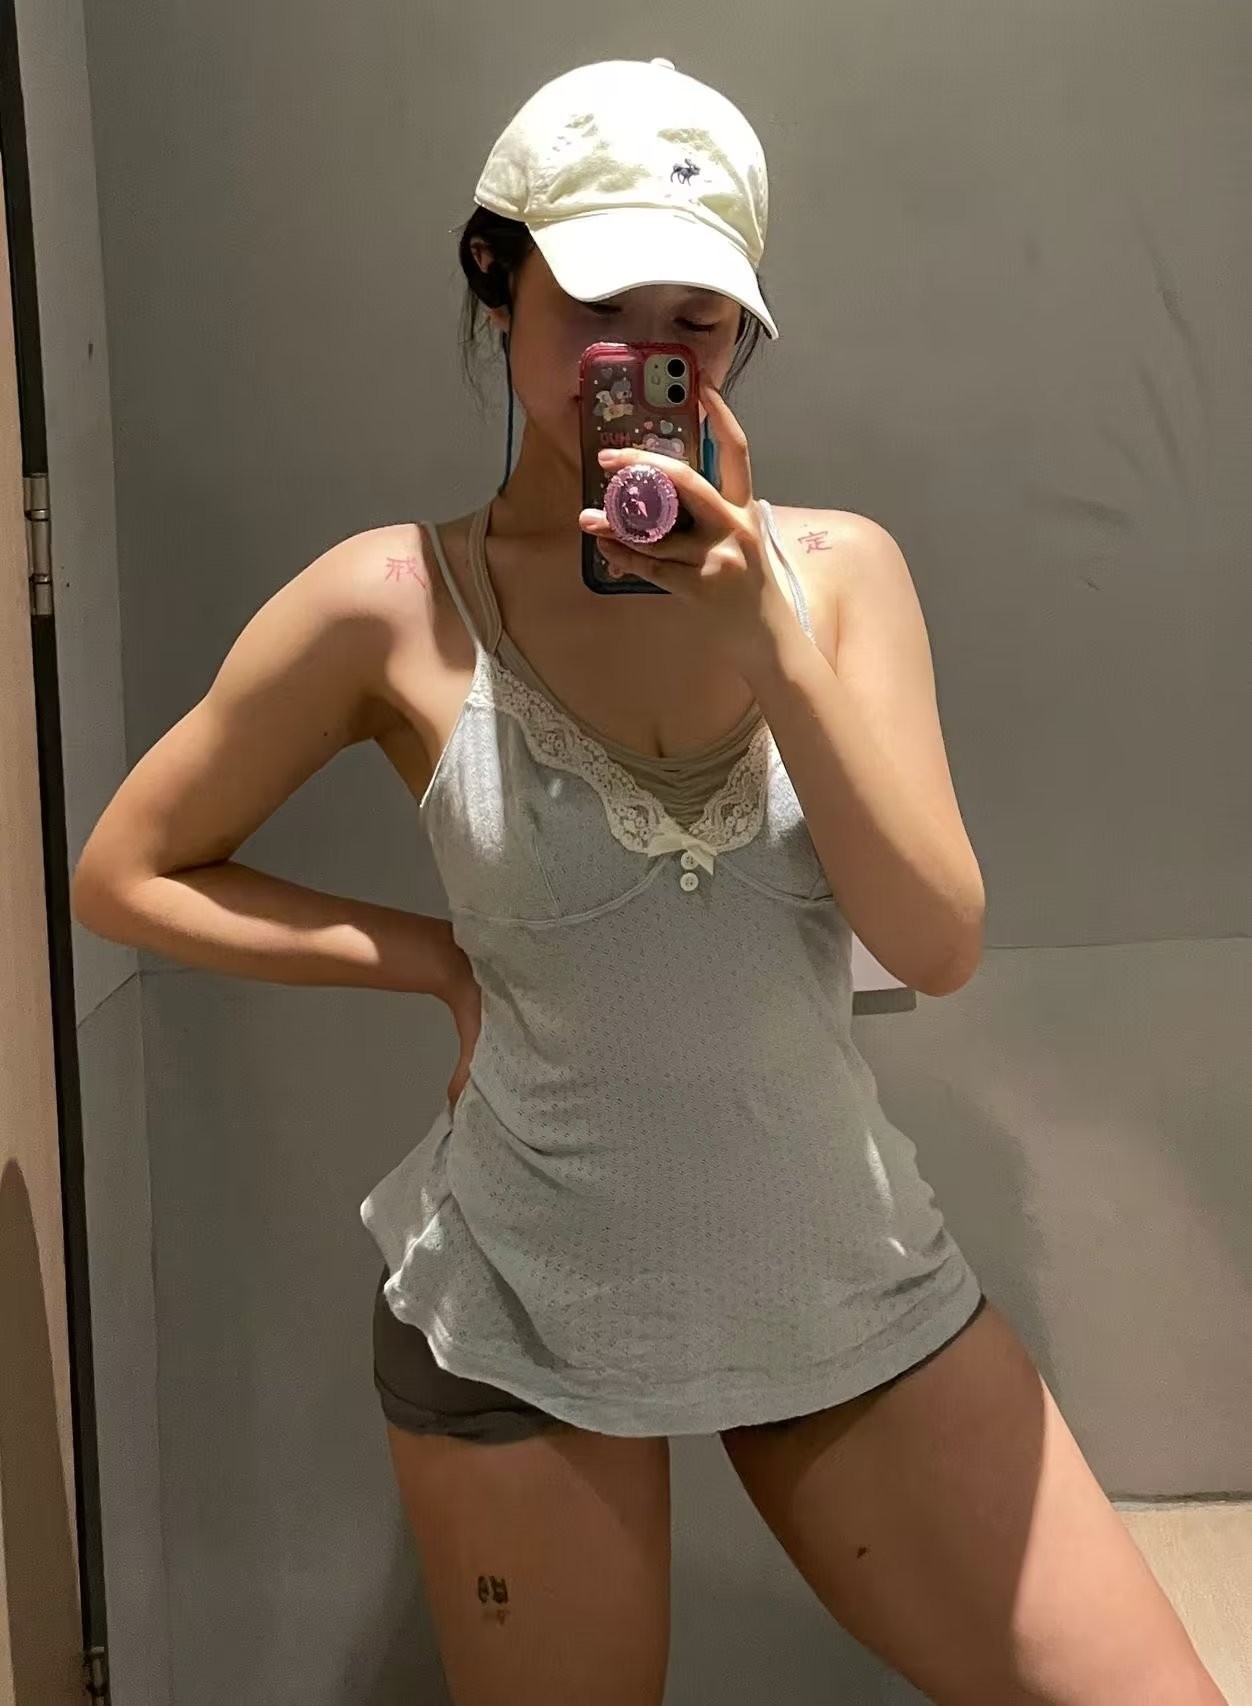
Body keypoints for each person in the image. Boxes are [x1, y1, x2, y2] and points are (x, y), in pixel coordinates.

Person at [71, 54, 1224, 1706]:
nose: (646, 353)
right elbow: (127, 871)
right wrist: (440, 962)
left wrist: (768, 637)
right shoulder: (391, 600)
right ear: (500, 283)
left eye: (699, 318)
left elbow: (934, 939)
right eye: (602, 302)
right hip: (523, 1306)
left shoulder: (837, 574)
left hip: (839, 1271)